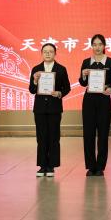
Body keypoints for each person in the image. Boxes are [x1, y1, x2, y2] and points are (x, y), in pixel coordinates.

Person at [79, 34, 111, 177]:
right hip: (89, 100)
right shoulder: (86, 62)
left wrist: (110, 89)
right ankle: (91, 166)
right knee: (88, 133)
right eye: (95, 44)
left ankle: (100, 166)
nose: (97, 47)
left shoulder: (110, 61)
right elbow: (82, 83)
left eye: (100, 44)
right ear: (91, 46)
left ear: (104, 46)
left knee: (103, 133)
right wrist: (84, 75)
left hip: (103, 100)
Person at [28, 43, 71, 177]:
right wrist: (35, 81)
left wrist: (59, 93)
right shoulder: (36, 69)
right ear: (42, 53)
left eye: (50, 51)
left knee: (53, 137)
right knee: (41, 137)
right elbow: (31, 90)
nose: (48, 54)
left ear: (55, 53)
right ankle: (42, 166)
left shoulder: (61, 69)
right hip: (40, 108)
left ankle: (51, 166)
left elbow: (67, 88)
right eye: (45, 51)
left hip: (54, 108)